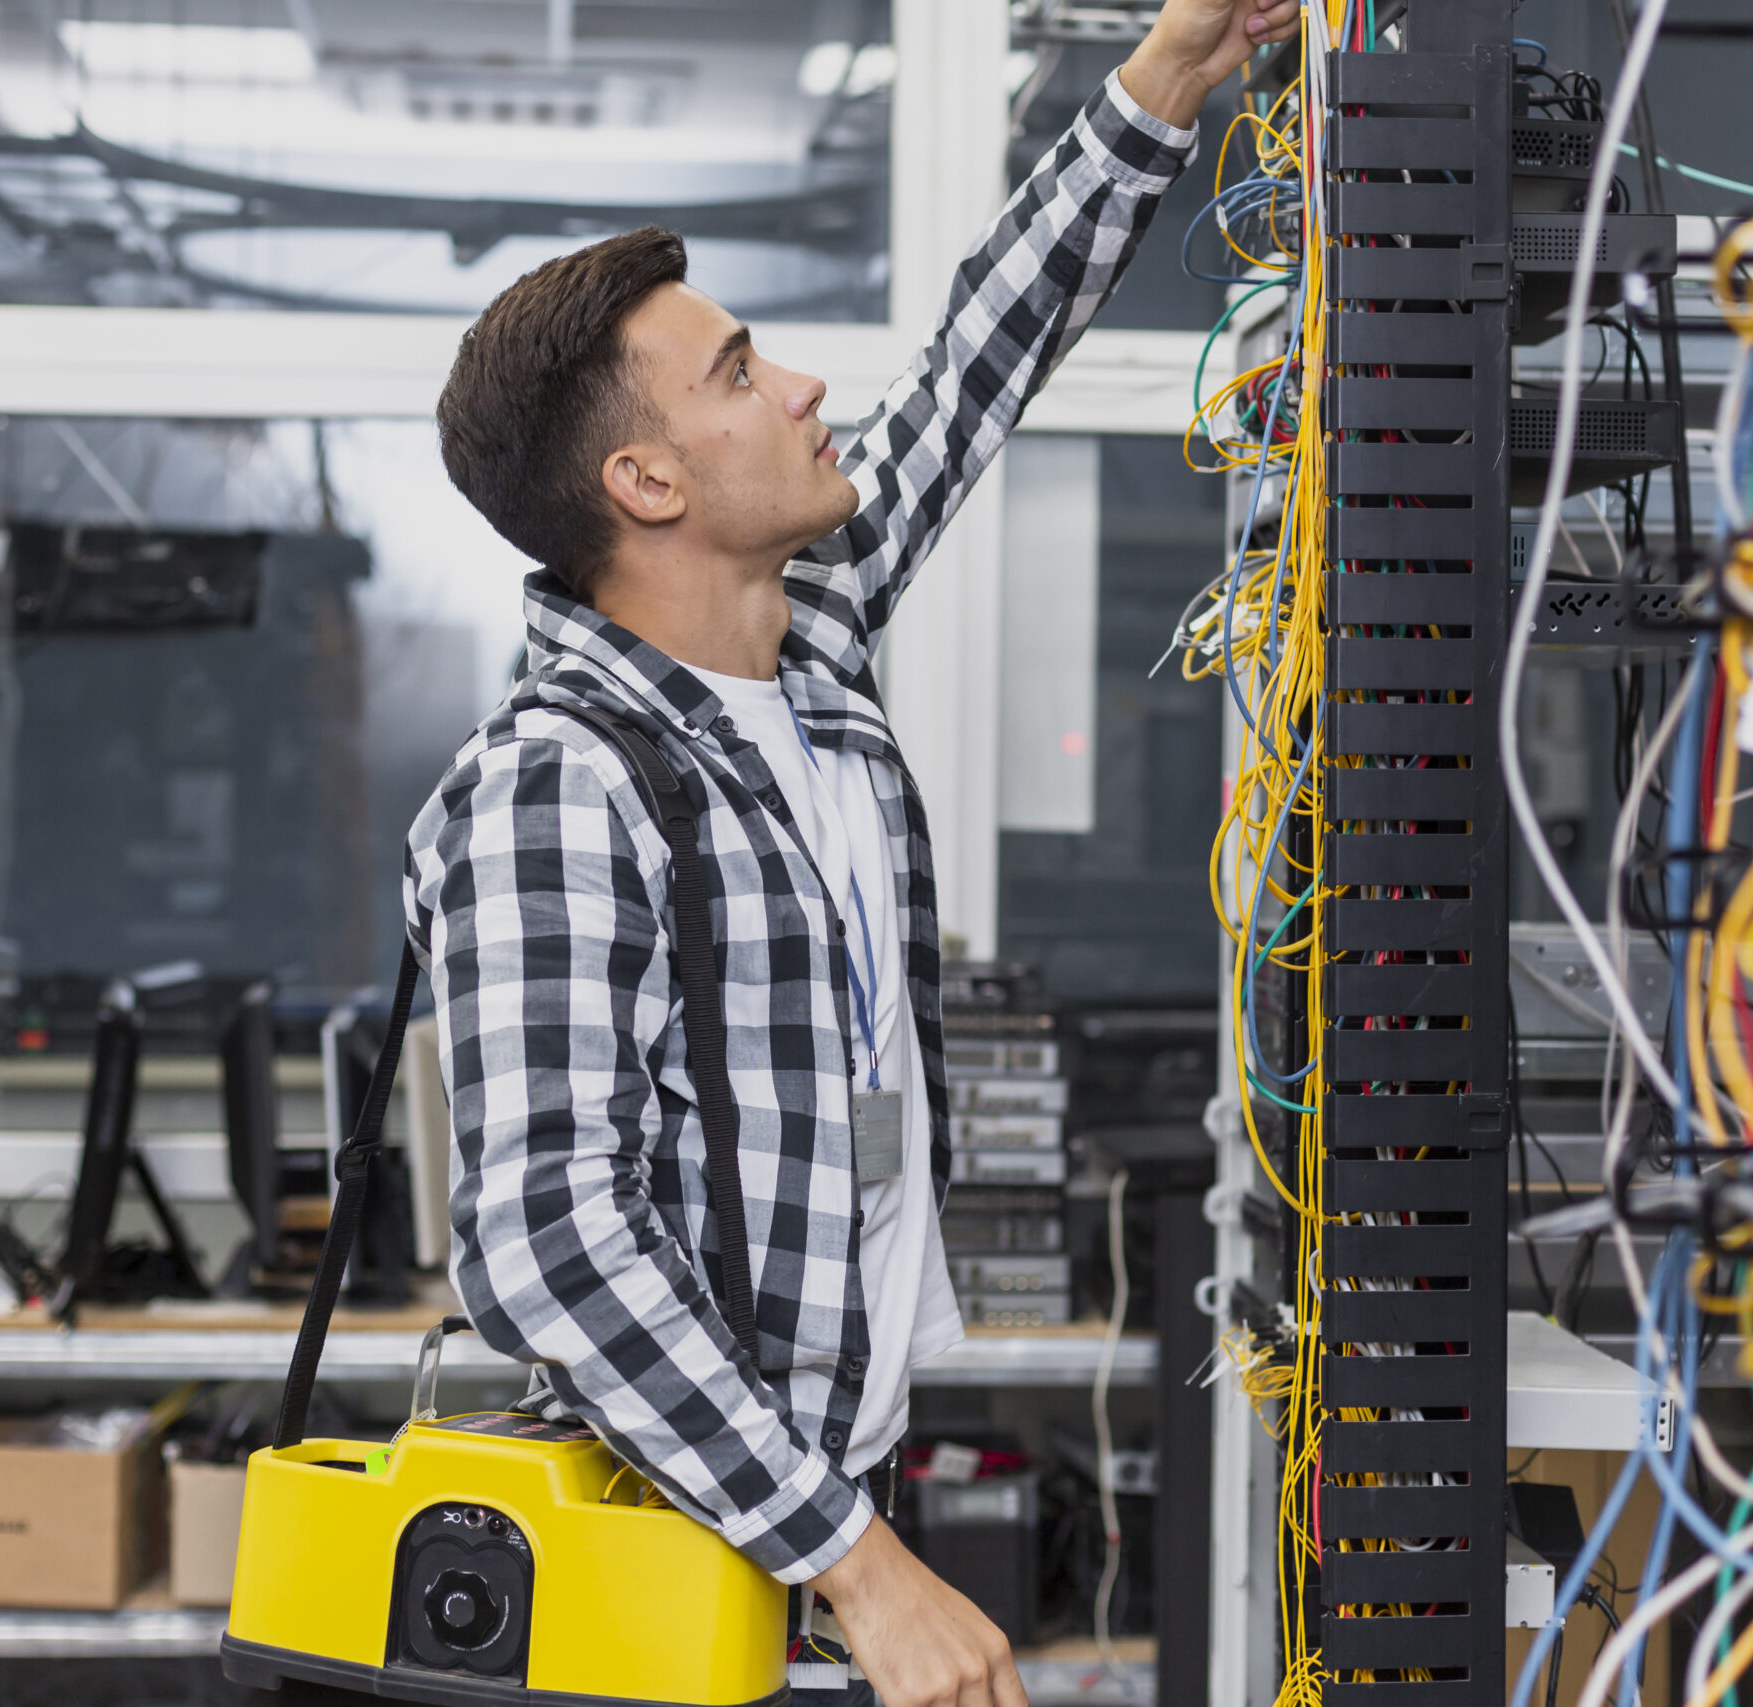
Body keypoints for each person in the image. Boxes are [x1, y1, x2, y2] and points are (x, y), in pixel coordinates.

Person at [407, 3, 1298, 1701]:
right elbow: (546, 1237)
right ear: (648, 479)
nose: (804, 382)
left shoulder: (797, 654)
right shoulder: (557, 787)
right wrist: (865, 1570)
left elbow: (980, 356)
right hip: (683, 1554)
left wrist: (1169, 76)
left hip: (800, 1510)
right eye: (740, 370)